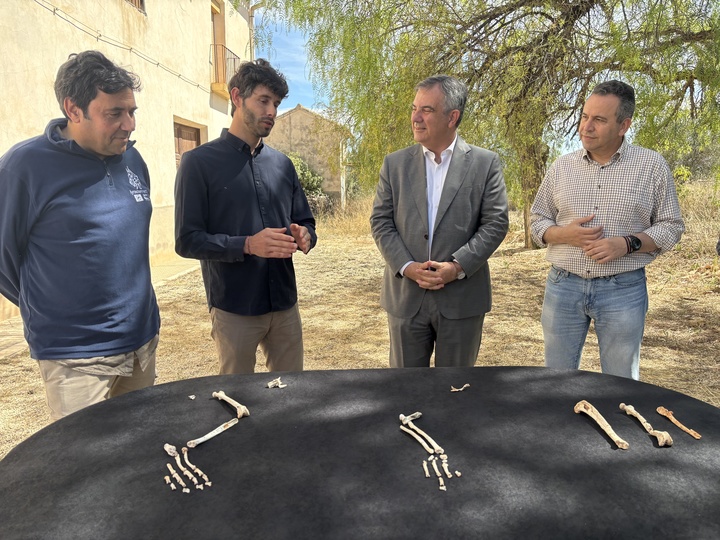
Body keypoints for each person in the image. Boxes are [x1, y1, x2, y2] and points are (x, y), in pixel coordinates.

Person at [0, 51, 161, 421]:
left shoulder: (133, 161)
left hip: (142, 342)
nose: (129, 124)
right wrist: (51, 309)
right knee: (86, 468)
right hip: (76, 357)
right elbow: (5, 259)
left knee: (137, 450)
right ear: (73, 110)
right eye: (114, 113)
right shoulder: (23, 167)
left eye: (132, 111)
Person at [530, 80, 684, 380]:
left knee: (621, 383)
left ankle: (620, 427)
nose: (586, 126)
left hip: (623, 290)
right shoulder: (562, 167)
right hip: (562, 287)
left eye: (599, 120)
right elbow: (537, 220)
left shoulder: (651, 166)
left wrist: (627, 244)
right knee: (554, 381)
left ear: (624, 125)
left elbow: (672, 226)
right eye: (584, 116)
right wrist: (564, 235)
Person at [175, 59, 316, 375]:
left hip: (285, 305)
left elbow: (307, 221)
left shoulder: (283, 166)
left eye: (276, 104)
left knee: (292, 398)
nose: (272, 112)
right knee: (238, 401)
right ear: (237, 97)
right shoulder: (198, 163)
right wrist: (248, 245)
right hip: (234, 307)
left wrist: (306, 235)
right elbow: (187, 240)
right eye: (263, 100)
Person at [370, 75, 509, 368]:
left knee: (456, 394)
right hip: (406, 298)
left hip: (461, 299)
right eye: (414, 108)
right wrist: (408, 267)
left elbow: (495, 223)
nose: (416, 118)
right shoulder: (394, 164)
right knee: (406, 392)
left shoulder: (485, 163)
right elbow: (381, 221)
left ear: (452, 117)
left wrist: (456, 267)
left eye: (427, 110)